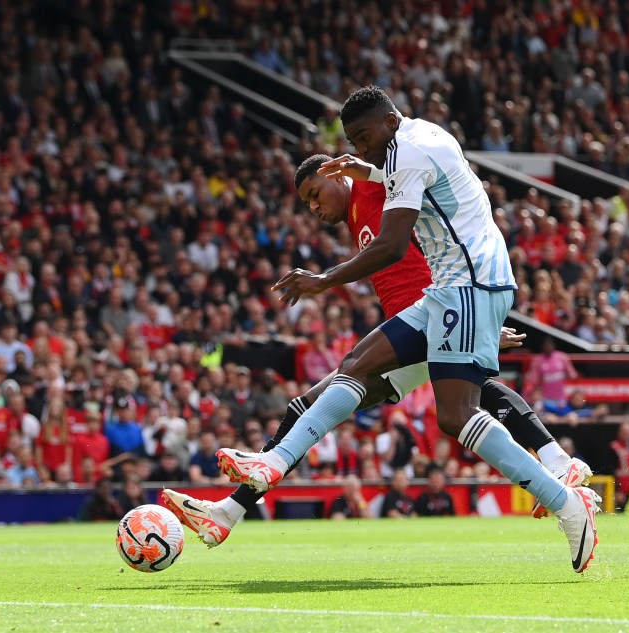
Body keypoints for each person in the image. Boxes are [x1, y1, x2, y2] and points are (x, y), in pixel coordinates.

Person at [198, 88, 599, 572]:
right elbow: (422, 186)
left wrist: (324, 280)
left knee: (456, 413)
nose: (361, 150)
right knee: (354, 368)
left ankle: (564, 493)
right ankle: (266, 472)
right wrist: (365, 168)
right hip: (451, 292)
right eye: (354, 142)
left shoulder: (403, 155)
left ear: (389, 121)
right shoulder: (409, 142)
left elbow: (389, 246)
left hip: (467, 285)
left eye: (364, 139)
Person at [524, 338, 579, 409]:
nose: (548, 347)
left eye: (550, 345)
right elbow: (534, 381)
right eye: (546, 345)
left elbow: (573, 375)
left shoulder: (562, 357)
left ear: (553, 346)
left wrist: (564, 376)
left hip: (561, 396)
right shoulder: (537, 360)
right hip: (545, 398)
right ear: (542, 347)